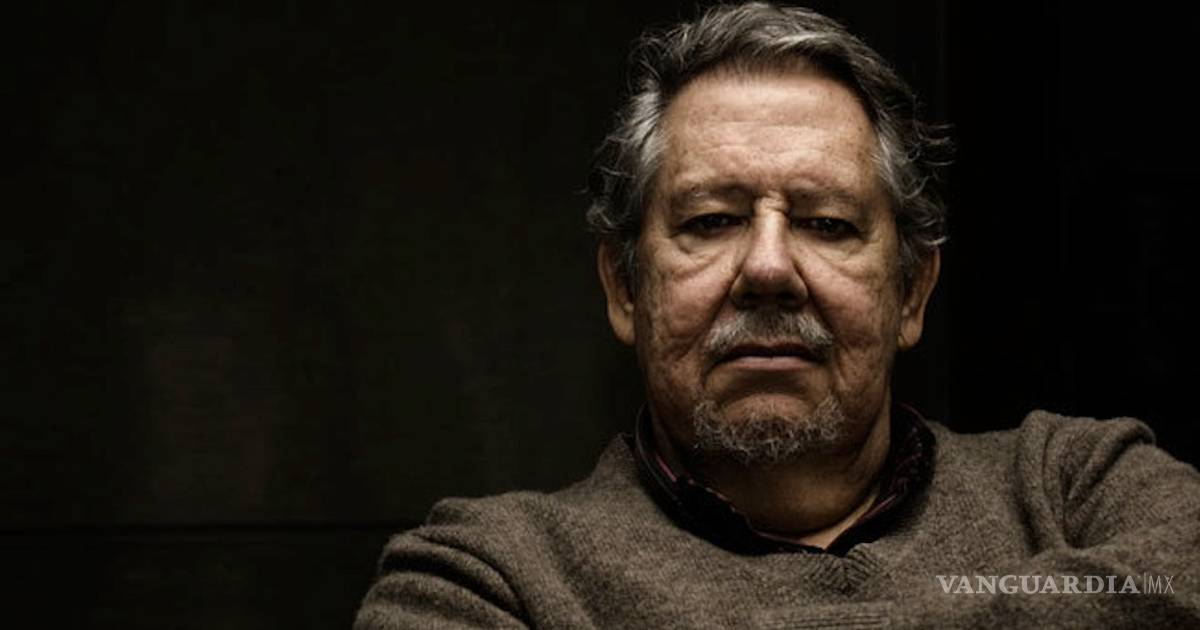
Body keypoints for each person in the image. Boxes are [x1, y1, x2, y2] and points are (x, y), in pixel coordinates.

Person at [355, 3, 1200, 628]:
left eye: (826, 224)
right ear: (625, 289)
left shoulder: (1074, 484)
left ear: (911, 292)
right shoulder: (486, 578)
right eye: (711, 220)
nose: (767, 269)